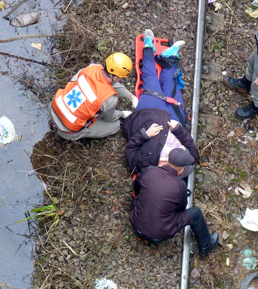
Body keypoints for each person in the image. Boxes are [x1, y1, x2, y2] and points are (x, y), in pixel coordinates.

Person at [123, 30, 199, 174]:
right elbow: (192, 149)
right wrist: (178, 130)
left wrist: (145, 135)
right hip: (174, 120)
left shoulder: (144, 166)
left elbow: (130, 148)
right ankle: (168, 58)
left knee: (150, 78)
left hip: (149, 115)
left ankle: (148, 47)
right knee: (171, 86)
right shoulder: (185, 165)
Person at [130, 148, 219, 256]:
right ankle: (206, 246)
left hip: (135, 223)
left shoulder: (149, 171)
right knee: (196, 213)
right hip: (158, 236)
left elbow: (136, 188)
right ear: (181, 170)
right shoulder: (179, 186)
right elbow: (180, 209)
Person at [50, 53, 138, 140]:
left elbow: (110, 83)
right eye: (121, 77)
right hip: (68, 130)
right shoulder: (109, 99)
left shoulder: (92, 68)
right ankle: (64, 136)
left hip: (54, 109)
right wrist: (122, 114)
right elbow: (109, 118)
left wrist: (132, 97)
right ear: (115, 78)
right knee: (115, 125)